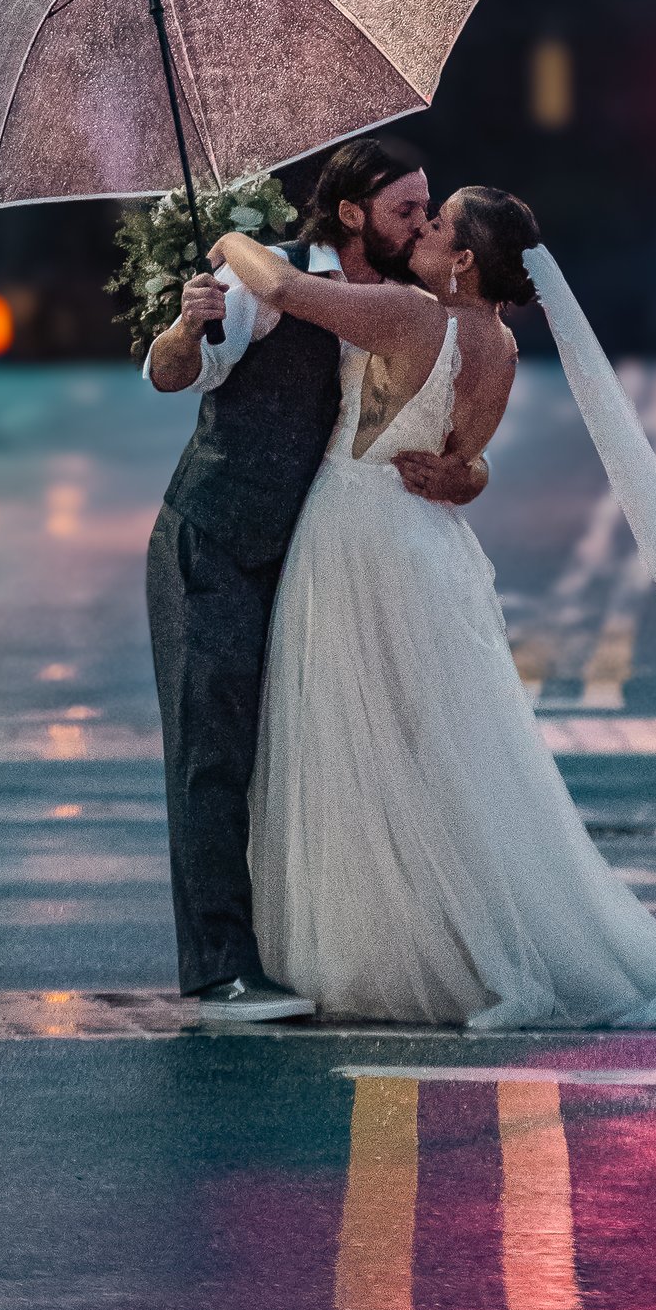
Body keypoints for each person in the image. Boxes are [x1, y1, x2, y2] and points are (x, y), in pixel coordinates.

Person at [212, 186, 656, 1033]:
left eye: (438, 224)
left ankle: (388, 944)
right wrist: (468, 479)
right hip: (431, 549)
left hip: (355, 533)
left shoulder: (408, 313)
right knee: (441, 749)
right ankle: (471, 934)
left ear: (466, 258)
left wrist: (228, 235)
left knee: (354, 738)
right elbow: (461, 461)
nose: (425, 229)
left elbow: (286, 291)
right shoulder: (501, 345)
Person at [143, 130, 488, 1025]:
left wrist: (466, 474)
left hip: (315, 558)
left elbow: (449, 426)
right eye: (405, 207)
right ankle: (219, 967)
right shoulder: (270, 280)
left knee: (297, 753)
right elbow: (171, 373)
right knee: (210, 754)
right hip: (215, 537)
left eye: (426, 207)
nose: (421, 221)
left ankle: (302, 945)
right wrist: (187, 322)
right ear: (351, 213)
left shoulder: (409, 300)